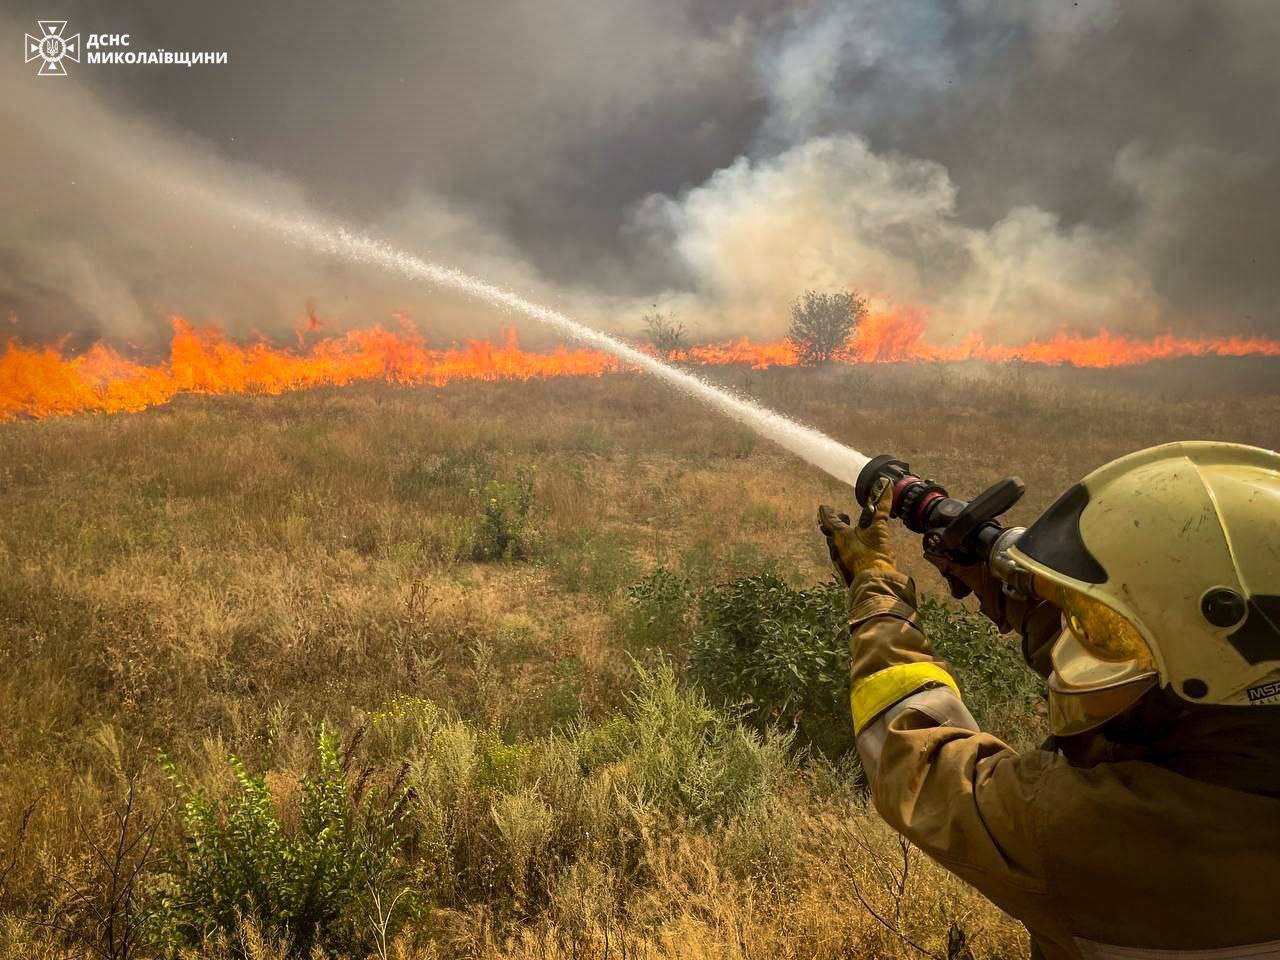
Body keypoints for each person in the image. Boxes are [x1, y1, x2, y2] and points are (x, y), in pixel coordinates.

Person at [817, 441, 1280, 960]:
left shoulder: (1096, 832)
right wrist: (1008, 584)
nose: (1086, 639)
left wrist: (876, 588)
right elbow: (1149, 663)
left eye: (1100, 628)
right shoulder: (1236, 718)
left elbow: (917, 762)